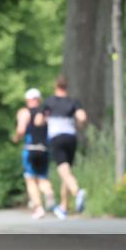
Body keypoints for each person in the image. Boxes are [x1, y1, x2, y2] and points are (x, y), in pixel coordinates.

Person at [35, 76, 87, 219]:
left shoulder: (49, 102)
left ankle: (78, 191)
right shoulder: (73, 102)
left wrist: (47, 120)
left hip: (57, 137)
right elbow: (82, 117)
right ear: (67, 87)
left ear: (55, 86)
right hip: (71, 137)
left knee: (63, 171)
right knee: (67, 171)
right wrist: (79, 126)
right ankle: (63, 208)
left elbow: (38, 121)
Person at [13, 88, 55, 219]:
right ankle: (49, 193)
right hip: (44, 149)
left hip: (30, 149)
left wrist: (16, 138)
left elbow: (21, 130)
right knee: (43, 178)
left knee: (30, 179)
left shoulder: (24, 112)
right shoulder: (45, 114)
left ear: (27, 100)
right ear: (39, 100)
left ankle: (38, 208)